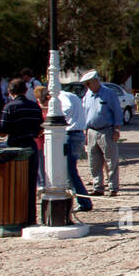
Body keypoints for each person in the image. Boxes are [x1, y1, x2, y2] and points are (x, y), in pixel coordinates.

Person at [0, 78, 44, 225]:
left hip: (14, 147)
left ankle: (14, 216)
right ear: (25, 90)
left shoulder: (9, 107)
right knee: (31, 184)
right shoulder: (34, 107)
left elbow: (2, 131)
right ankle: (30, 218)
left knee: (14, 183)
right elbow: (39, 130)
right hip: (31, 146)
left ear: (10, 92)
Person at [82, 70, 123, 196]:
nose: (87, 86)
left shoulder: (108, 94)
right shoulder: (87, 95)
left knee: (111, 160)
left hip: (107, 130)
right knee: (94, 161)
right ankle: (98, 187)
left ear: (95, 81)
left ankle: (113, 187)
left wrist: (117, 129)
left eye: (89, 83)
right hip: (91, 131)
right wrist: (85, 131)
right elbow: (85, 113)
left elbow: (117, 111)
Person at [54, 84, 91, 212]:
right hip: (78, 133)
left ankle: (84, 201)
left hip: (71, 133)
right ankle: (82, 199)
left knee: (70, 171)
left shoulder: (62, 97)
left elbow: (67, 108)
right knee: (71, 170)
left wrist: (56, 117)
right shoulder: (72, 96)